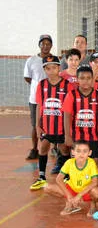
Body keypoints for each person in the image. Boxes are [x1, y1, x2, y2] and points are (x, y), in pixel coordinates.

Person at [29, 56, 71, 190]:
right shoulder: (42, 85)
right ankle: (41, 176)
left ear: (59, 68)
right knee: (43, 148)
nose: (51, 71)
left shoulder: (67, 85)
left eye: (54, 67)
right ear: (44, 70)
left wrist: (69, 126)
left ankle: (67, 175)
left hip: (62, 125)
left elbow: (70, 108)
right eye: (48, 68)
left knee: (64, 149)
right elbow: (39, 106)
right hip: (47, 125)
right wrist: (37, 125)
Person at [62, 66, 98, 178]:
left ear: (93, 79)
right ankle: (74, 179)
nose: (85, 81)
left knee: (96, 161)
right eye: (82, 78)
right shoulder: (71, 95)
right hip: (77, 136)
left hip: (94, 136)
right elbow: (66, 116)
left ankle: (94, 181)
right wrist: (67, 136)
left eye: (88, 78)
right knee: (78, 161)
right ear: (77, 79)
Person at [44, 141, 98, 216]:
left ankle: (93, 205)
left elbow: (95, 182)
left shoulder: (91, 163)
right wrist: (69, 195)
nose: (81, 154)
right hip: (72, 189)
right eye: (78, 151)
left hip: (85, 191)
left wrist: (79, 195)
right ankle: (69, 203)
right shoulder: (69, 162)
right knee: (47, 188)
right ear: (73, 152)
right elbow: (59, 179)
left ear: (90, 153)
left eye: (85, 151)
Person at [24, 34, 53, 160]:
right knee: (35, 124)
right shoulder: (31, 60)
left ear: (51, 45)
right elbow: (27, 77)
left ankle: (55, 148)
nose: (45, 46)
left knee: (53, 123)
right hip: (35, 99)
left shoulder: (54, 59)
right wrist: (39, 87)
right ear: (39, 45)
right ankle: (34, 148)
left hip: (51, 98)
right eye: (43, 44)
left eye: (48, 44)